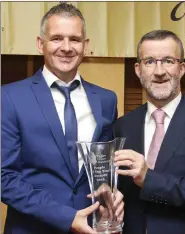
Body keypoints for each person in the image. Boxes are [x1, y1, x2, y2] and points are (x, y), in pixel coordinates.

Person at [1, 3, 124, 234]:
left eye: (75, 39)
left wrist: (112, 193)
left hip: (92, 229)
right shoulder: (8, 97)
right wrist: (66, 217)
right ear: (41, 44)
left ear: (85, 46)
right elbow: (4, 177)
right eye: (57, 38)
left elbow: (103, 168)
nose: (66, 47)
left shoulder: (106, 100)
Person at [114, 30, 185, 234]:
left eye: (168, 61)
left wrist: (148, 179)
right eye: (149, 62)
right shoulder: (123, 125)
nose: (159, 71)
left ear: (181, 68)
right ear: (138, 70)